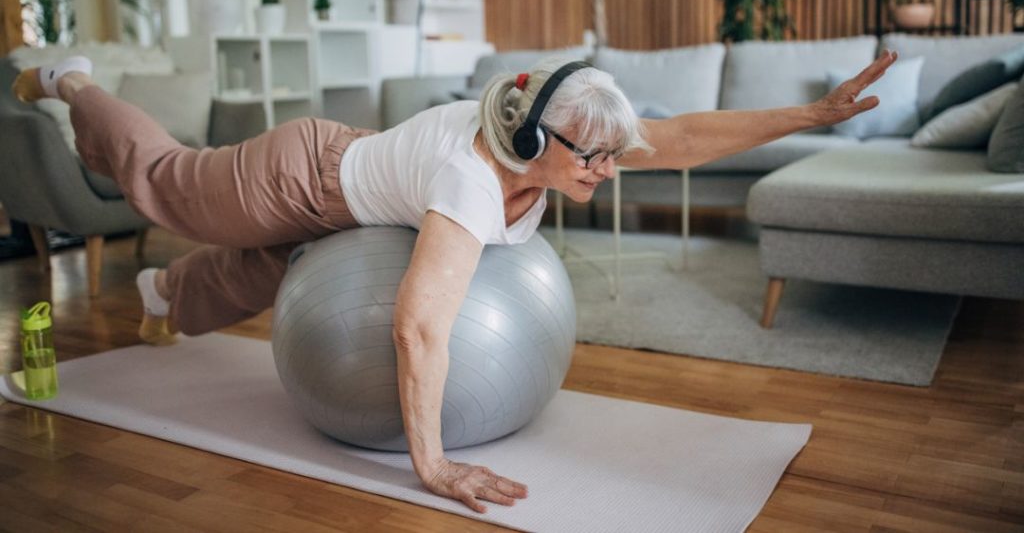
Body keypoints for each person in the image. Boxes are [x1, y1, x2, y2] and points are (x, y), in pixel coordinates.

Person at [12, 49, 896, 513]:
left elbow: (686, 136)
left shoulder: (557, 141)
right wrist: (431, 464)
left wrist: (811, 114)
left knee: (269, 275)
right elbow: (419, 326)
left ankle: (169, 299)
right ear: (533, 142)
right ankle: (73, 81)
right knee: (168, 182)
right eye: (592, 158)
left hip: (350, 199)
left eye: (607, 155)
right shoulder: (472, 181)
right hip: (297, 176)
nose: (609, 171)